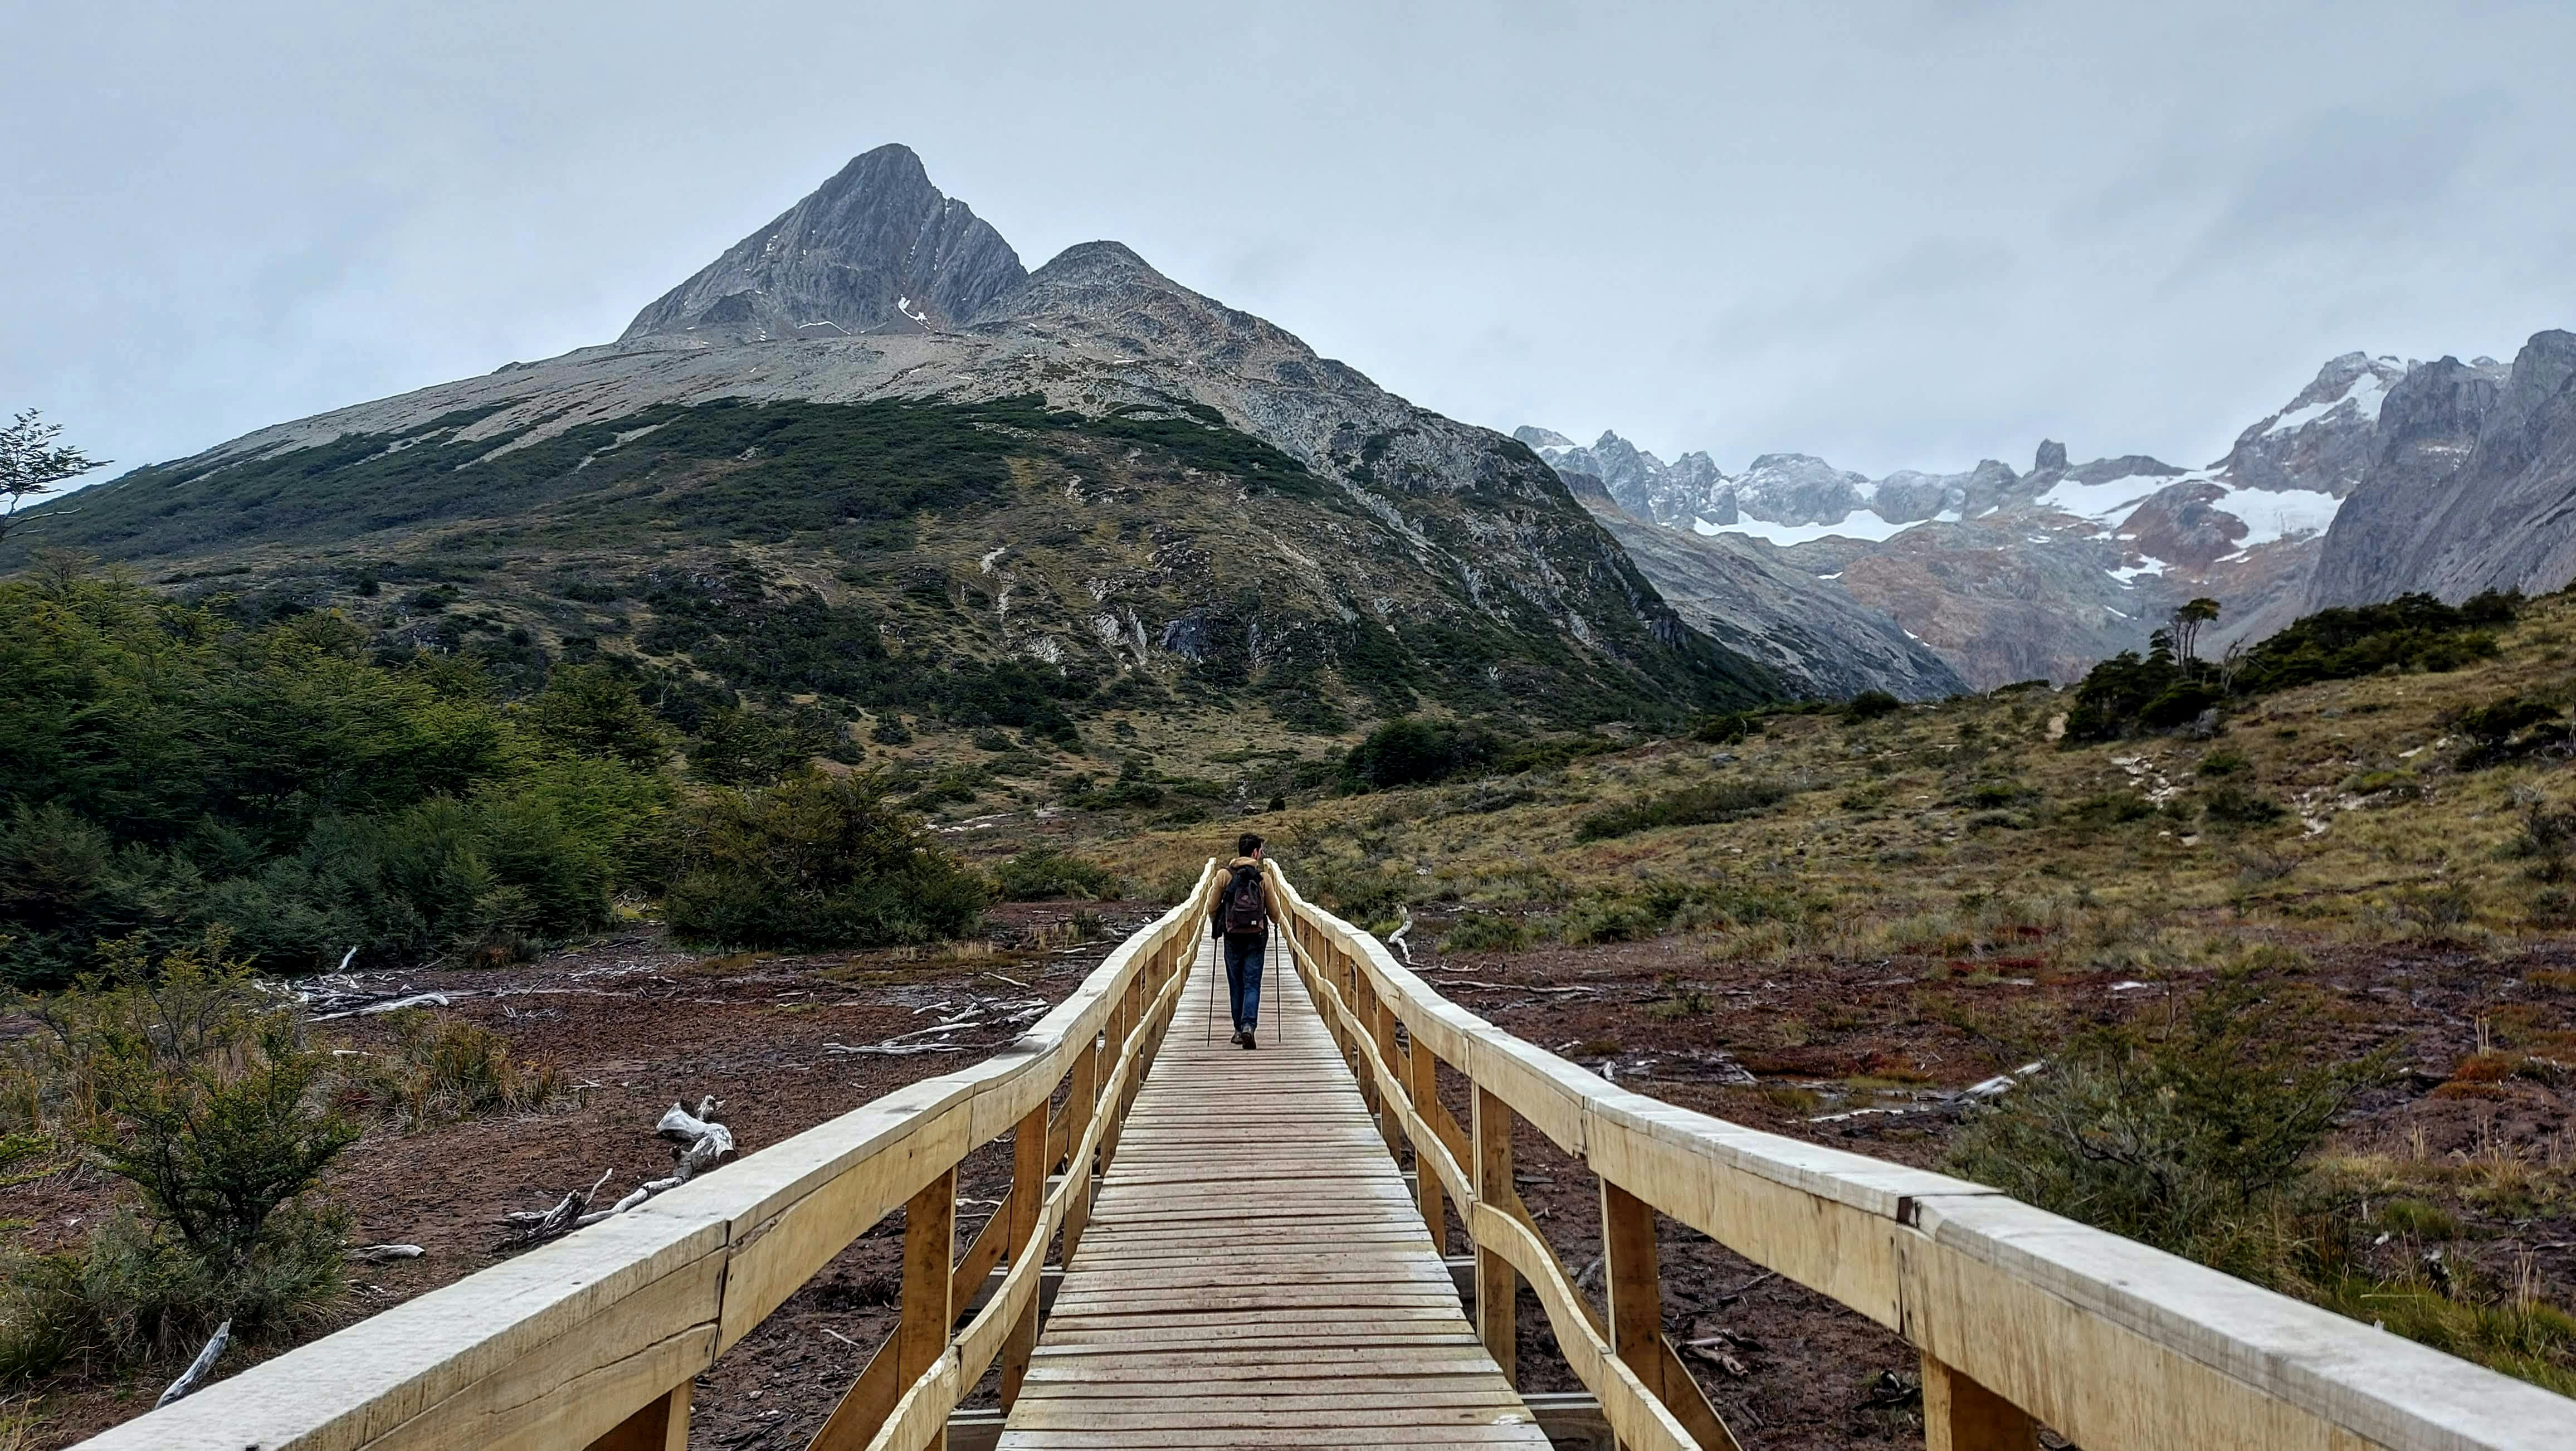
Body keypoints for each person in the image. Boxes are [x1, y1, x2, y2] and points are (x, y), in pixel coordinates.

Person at [1209, 832, 1269, 1049]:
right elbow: (1275, 912)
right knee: (1252, 983)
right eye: (1261, 851)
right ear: (1254, 853)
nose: (1261, 855)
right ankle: (1248, 1027)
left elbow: (1211, 907)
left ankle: (1237, 1030)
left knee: (1236, 983)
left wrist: (1220, 926)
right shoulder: (1263, 878)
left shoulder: (1224, 876)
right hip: (1256, 938)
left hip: (1232, 937)